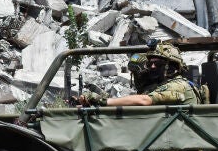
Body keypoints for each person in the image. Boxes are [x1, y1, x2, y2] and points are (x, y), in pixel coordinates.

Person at [79, 42, 208, 106]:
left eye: (157, 64)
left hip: (180, 143)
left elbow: (144, 100)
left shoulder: (178, 85)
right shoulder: (161, 85)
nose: (152, 67)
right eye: (150, 63)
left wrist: (104, 101)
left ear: (172, 67)